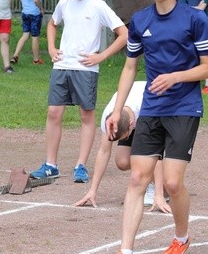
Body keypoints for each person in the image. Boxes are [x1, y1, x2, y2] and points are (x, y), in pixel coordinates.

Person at [105, 0, 208, 254]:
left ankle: (180, 238)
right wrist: (116, 109)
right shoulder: (140, 20)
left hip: (184, 107)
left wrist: (177, 76)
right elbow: (129, 67)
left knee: (171, 182)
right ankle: (125, 253)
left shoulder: (195, 19)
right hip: (151, 109)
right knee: (138, 178)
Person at [29, 0, 128, 183]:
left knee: (86, 115)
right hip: (62, 66)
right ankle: (51, 165)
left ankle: (81, 166)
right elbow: (52, 24)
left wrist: (101, 56)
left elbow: (124, 34)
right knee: (54, 112)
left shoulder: (98, 6)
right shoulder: (64, 3)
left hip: (86, 69)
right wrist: (52, 48)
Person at [73, 81, 171, 213]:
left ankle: (156, 188)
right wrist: (92, 190)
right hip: (132, 113)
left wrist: (159, 196)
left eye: (125, 136)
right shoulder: (109, 118)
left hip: (159, 106)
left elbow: (156, 155)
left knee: (146, 155)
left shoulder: (145, 110)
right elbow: (103, 151)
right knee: (122, 162)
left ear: (131, 125)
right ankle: (153, 182)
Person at [10, 0, 46, 65]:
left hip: (25, 12)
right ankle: (36, 60)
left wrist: (25, 3)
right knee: (35, 37)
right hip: (34, 14)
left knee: (25, 35)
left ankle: (15, 55)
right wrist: (41, 8)